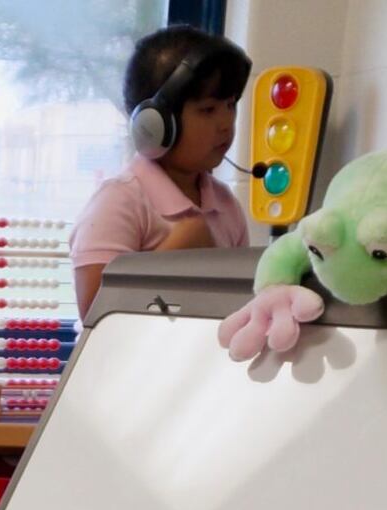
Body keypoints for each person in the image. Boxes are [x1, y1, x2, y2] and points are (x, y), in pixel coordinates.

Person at [71, 25, 254, 316]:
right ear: (154, 124)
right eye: (208, 110)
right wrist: (178, 251)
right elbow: (95, 313)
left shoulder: (225, 205)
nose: (225, 123)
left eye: (230, 105)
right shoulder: (120, 201)